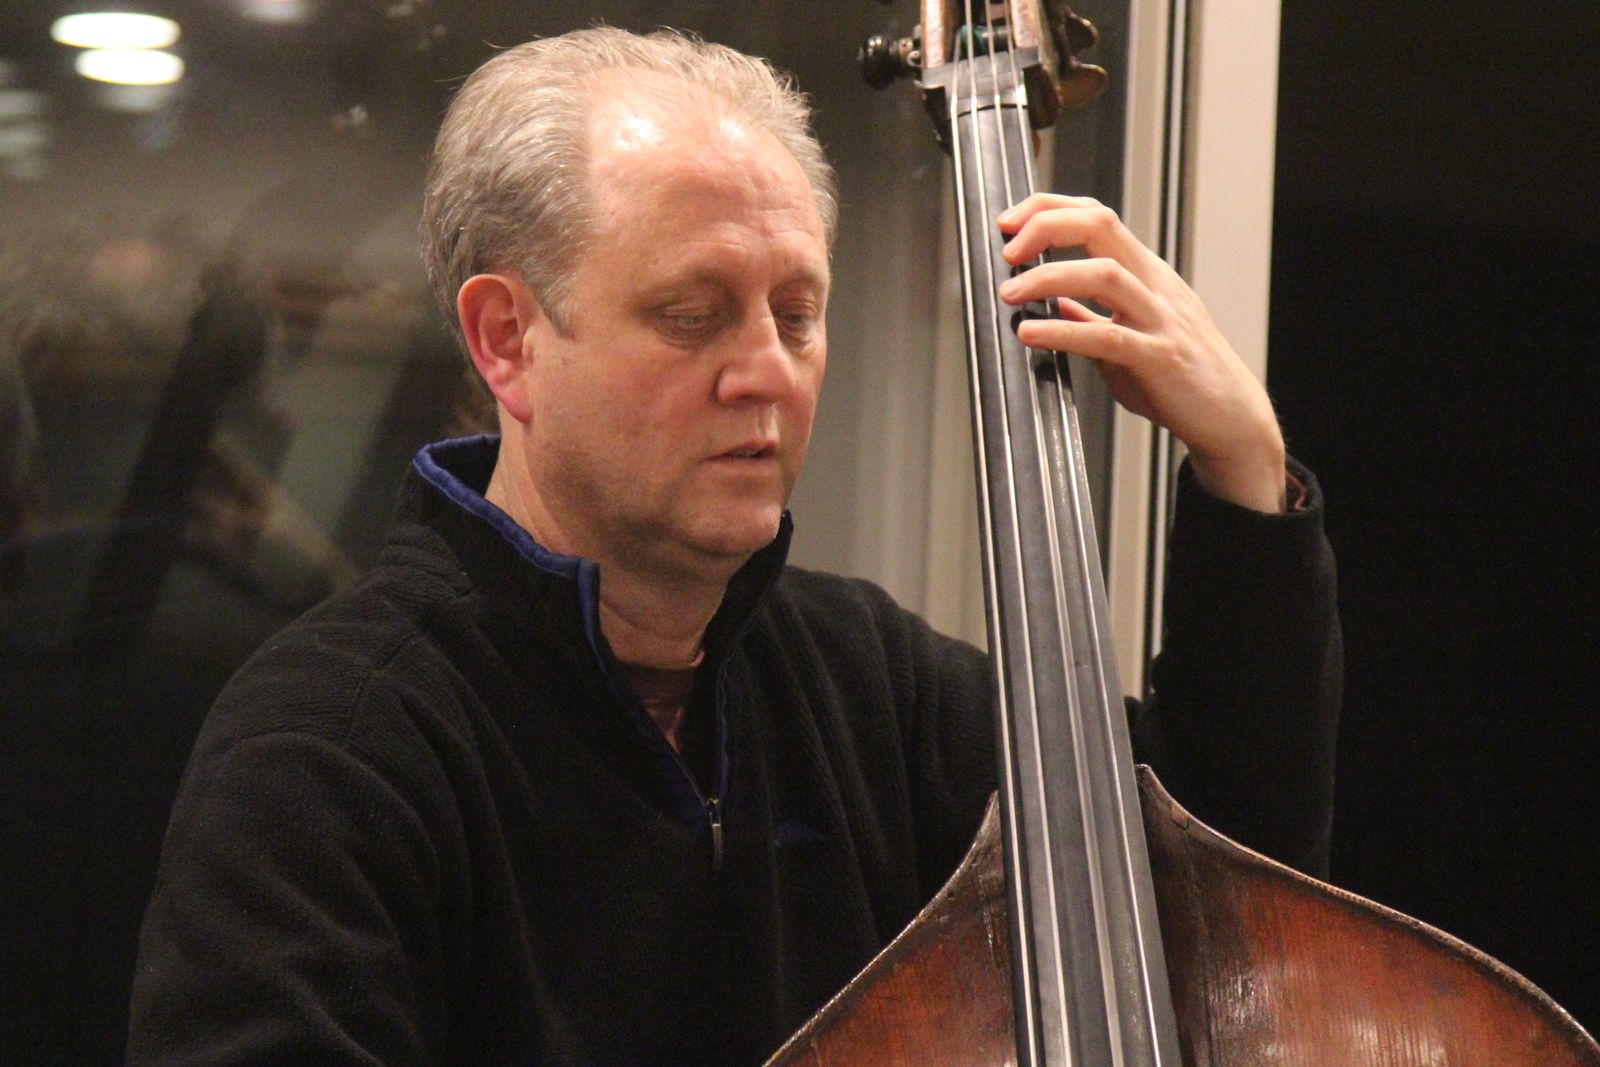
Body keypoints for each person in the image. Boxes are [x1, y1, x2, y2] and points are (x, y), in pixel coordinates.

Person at [128, 26, 1339, 1066]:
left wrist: (1242, 463)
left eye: (796, 313)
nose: (766, 370)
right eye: (691, 314)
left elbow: (1216, 896)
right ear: (506, 340)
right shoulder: (329, 753)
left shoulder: (867, 682)